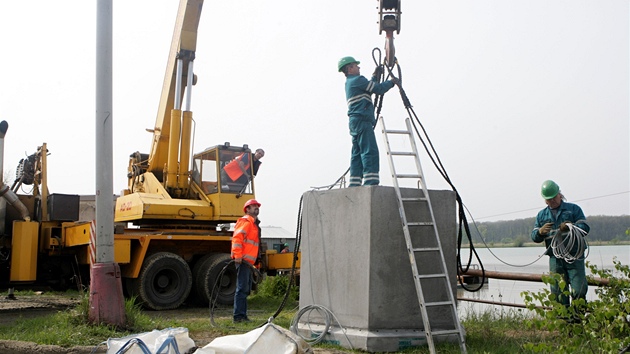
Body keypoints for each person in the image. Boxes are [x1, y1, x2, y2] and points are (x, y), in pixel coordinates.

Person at [338, 56, 398, 187]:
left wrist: (375, 77)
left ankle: (354, 183)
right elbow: (378, 89)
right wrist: (392, 82)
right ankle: (371, 182)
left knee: (357, 153)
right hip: (362, 120)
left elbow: (369, 88)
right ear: (349, 68)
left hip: (355, 122)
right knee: (369, 150)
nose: (358, 67)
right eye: (355, 65)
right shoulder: (357, 80)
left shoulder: (351, 82)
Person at [531, 180, 590, 307]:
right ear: (545, 200)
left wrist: (570, 227)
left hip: (574, 256)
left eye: (554, 197)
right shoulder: (542, 215)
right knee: (558, 293)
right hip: (555, 258)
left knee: (579, 290)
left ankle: (577, 321)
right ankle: (564, 322)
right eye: (549, 199)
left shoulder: (573, 209)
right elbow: (534, 237)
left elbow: (585, 228)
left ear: (559, 194)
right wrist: (540, 232)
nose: (552, 201)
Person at [231, 199, 262, 322]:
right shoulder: (246, 222)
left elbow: (254, 246)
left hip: (248, 263)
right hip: (243, 261)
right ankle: (238, 316)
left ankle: (242, 315)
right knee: (242, 289)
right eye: (253, 206)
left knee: (245, 289)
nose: (256, 207)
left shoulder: (254, 225)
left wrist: (256, 264)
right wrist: (238, 255)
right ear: (247, 209)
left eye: (257, 206)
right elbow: (237, 239)